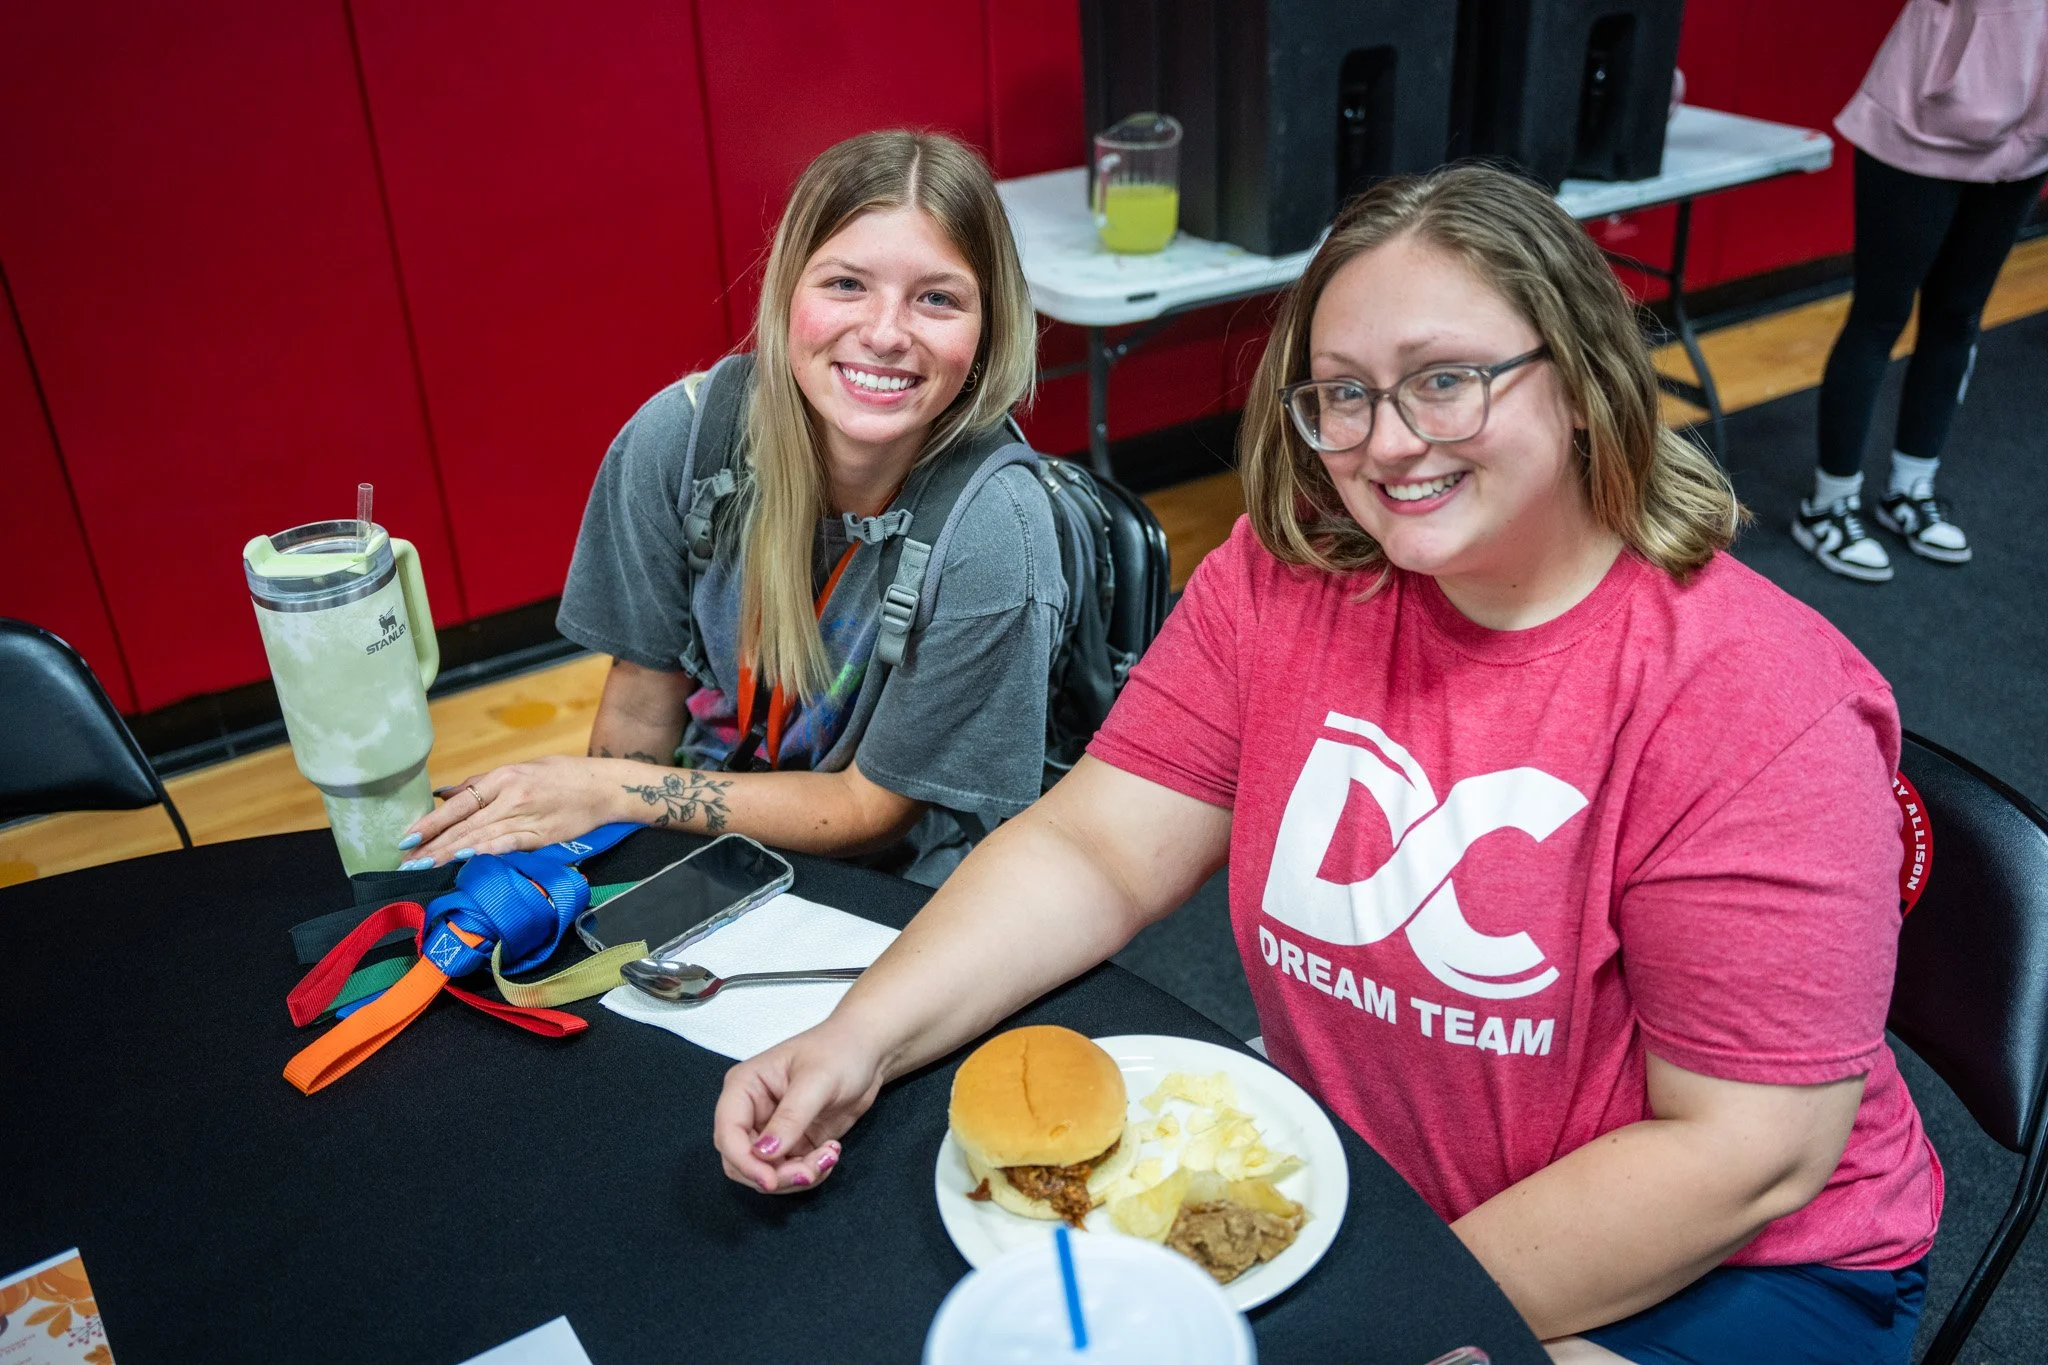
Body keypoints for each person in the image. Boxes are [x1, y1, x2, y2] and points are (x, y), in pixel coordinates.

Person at [711, 165, 1942, 1363]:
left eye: (1444, 381)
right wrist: (853, 1038)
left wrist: (1372, 1315)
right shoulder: (1290, 574)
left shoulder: (1747, 701)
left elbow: (1744, 1155)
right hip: (1378, 1191)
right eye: (1340, 394)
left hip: (1722, 1270)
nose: (1385, 444)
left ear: (1578, 378)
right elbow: (1094, 849)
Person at [396, 131, 1060, 884]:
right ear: (785, 296)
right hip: (704, 827)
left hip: (907, 872)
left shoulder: (998, 529)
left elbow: (870, 811)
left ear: (989, 327)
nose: (883, 333)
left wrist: (607, 790)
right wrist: (584, 873)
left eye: (937, 298)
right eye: (845, 284)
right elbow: (644, 709)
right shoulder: (679, 441)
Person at [1794, 0, 2048, 581]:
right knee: (1880, 315)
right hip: (1923, 118)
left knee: (1958, 315)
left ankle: (1909, 490)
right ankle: (1828, 505)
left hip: (2029, 132)